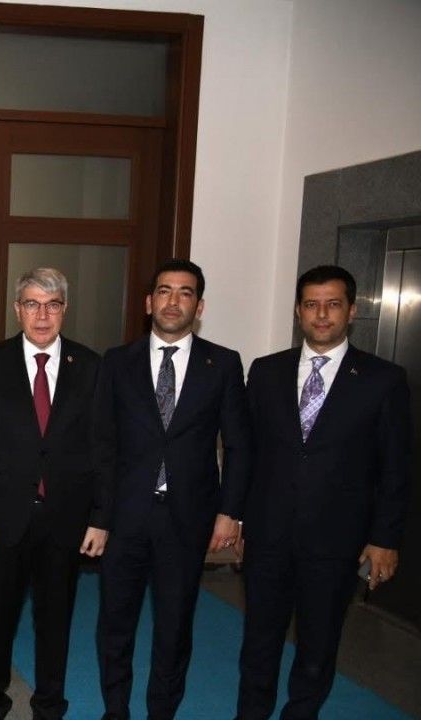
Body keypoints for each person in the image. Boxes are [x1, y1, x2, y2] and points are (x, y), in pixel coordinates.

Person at [235, 265, 412, 720]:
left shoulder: (383, 379)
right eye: (311, 304)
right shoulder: (266, 371)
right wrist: (237, 518)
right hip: (268, 537)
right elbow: (247, 453)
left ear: (351, 311)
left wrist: (385, 538)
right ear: (298, 311)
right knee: (258, 643)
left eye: (333, 304)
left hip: (336, 542)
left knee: (317, 648)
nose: (321, 314)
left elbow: (396, 468)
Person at [92, 259, 250, 720]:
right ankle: (115, 710)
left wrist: (230, 513)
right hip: (125, 517)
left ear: (199, 306)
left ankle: (162, 711)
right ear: (149, 302)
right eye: (164, 291)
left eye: (185, 293)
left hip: (187, 519)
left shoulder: (222, 363)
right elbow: (101, 443)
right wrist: (98, 516)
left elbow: (239, 444)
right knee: (114, 624)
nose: (173, 301)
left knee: (175, 627)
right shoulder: (116, 361)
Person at [0, 268, 106, 720]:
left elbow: (104, 447)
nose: (42, 315)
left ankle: (49, 705)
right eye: (32, 304)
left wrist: (100, 518)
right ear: (17, 309)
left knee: (56, 621)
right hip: (4, 519)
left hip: (66, 520)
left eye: (52, 305)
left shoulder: (90, 366)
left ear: (65, 309)